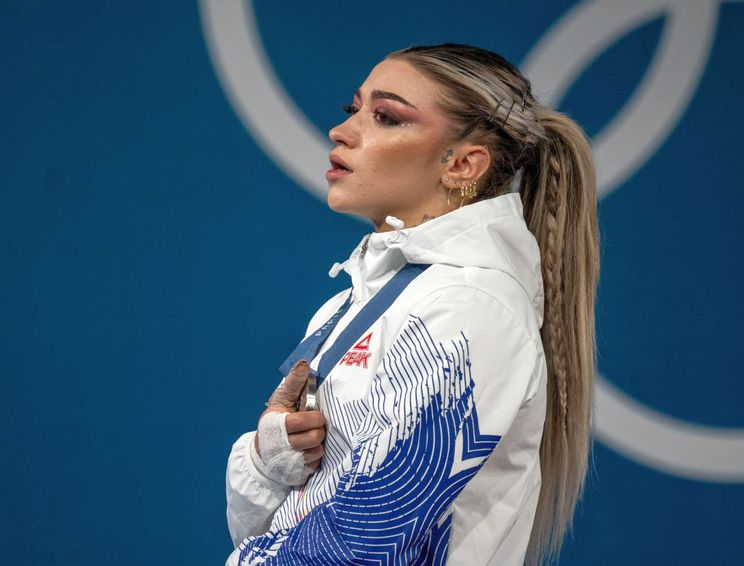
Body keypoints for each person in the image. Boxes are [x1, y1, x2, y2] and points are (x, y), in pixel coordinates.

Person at [224, 43, 599, 566]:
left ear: (463, 164)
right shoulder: (357, 300)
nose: (344, 131)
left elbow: (366, 538)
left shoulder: (469, 304)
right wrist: (270, 462)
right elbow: (273, 535)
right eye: (352, 109)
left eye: (386, 117)